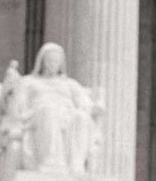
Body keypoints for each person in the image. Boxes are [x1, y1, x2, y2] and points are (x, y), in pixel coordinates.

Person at [7, 43, 99, 174]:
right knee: (49, 109)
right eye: (49, 60)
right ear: (42, 62)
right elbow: (18, 105)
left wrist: (95, 107)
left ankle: (76, 163)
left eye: (56, 61)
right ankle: (50, 162)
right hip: (37, 115)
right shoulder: (29, 81)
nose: (53, 63)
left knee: (82, 117)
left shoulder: (70, 84)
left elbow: (84, 104)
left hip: (67, 115)